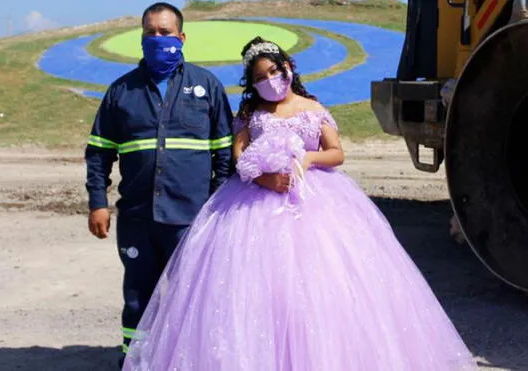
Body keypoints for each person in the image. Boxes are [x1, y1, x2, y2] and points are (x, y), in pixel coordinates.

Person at [122, 37, 477, 370]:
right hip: (252, 206)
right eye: (260, 77)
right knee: (253, 292)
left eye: (274, 71)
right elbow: (239, 157)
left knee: (319, 290)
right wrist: (265, 178)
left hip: (315, 201)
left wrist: (307, 160)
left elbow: (336, 153)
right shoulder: (250, 112)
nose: (270, 80)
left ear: (288, 66)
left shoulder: (313, 108)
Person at [84, 2, 233, 366]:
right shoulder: (122, 91)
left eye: (165, 33)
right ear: (141, 37)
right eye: (150, 32)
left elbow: (225, 155)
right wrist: (97, 202)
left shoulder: (206, 86)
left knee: (191, 295)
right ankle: (135, 361)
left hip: (191, 218)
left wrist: (217, 207)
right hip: (137, 216)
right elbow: (99, 152)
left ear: (181, 38)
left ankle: (188, 360)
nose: (157, 39)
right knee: (138, 296)